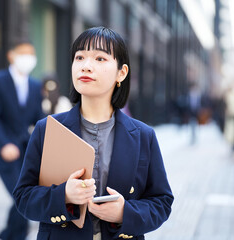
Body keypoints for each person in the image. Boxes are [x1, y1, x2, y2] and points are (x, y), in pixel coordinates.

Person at [13, 27, 173, 240]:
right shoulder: (47, 129)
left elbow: (161, 202)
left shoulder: (143, 135)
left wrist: (124, 213)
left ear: (121, 73)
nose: (86, 66)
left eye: (100, 58)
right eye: (79, 57)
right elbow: (24, 197)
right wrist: (64, 195)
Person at [0, 40, 43, 240]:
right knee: (21, 195)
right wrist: (4, 144)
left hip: (25, 150)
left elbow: (38, 118)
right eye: (23, 53)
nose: (28, 58)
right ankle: (13, 235)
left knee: (23, 195)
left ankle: (7, 235)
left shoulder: (34, 85)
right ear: (11, 55)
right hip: (4, 150)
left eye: (31, 54)